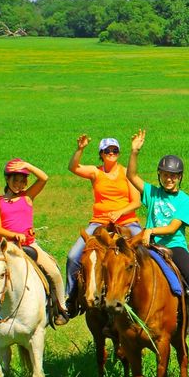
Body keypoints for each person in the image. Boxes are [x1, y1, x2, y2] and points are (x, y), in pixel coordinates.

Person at [125, 130, 189, 340]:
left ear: (180, 177)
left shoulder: (184, 200)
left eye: (174, 176)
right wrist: (134, 152)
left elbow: (172, 227)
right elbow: (131, 176)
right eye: (166, 175)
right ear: (160, 175)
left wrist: (150, 230)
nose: (169, 179)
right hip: (149, 245)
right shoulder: (152, 192)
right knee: (123, 266)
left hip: (173, 245)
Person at [0, 158, 68, 325]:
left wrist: (28, 165)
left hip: (29, 244)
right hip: (5, 246)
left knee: (53, 272)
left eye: (23, 181)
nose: (19, 184)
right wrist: (14, 235)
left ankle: (61, 308)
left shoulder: (28, 196)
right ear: (7, 179)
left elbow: (44, 178)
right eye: (15, 180)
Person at [64, 135, 142, 315]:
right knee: (73, 255)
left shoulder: (125, 173)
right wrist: (80, 149)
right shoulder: (96, 172)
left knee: (146, 249)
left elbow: (136, 201)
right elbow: (73, 167)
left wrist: (120, 212)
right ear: (101, 154)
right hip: (99, 222)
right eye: (108, 151)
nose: (112, 153)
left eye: (115, 150)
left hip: (127, 221)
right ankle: (71, 299)